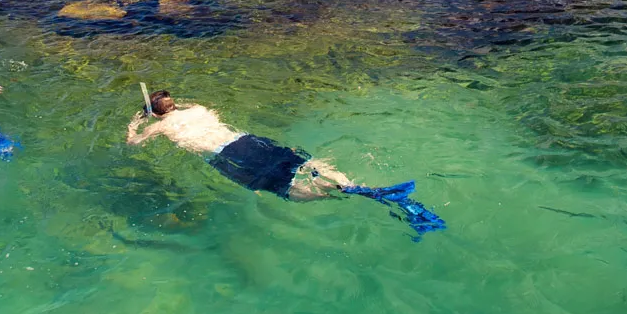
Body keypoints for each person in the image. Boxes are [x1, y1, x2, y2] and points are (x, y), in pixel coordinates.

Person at [127, 90, 445, 237]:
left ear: (155, 113)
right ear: (174, 104)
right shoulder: (198, 110)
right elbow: (189, 104)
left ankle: (360, 195)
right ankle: (362, 189)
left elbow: (133, 142)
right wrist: (165, 106)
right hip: (247, 140)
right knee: (302, 165)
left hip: (226, 156)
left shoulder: (161, 126)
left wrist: (137, 121)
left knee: (280, 186)